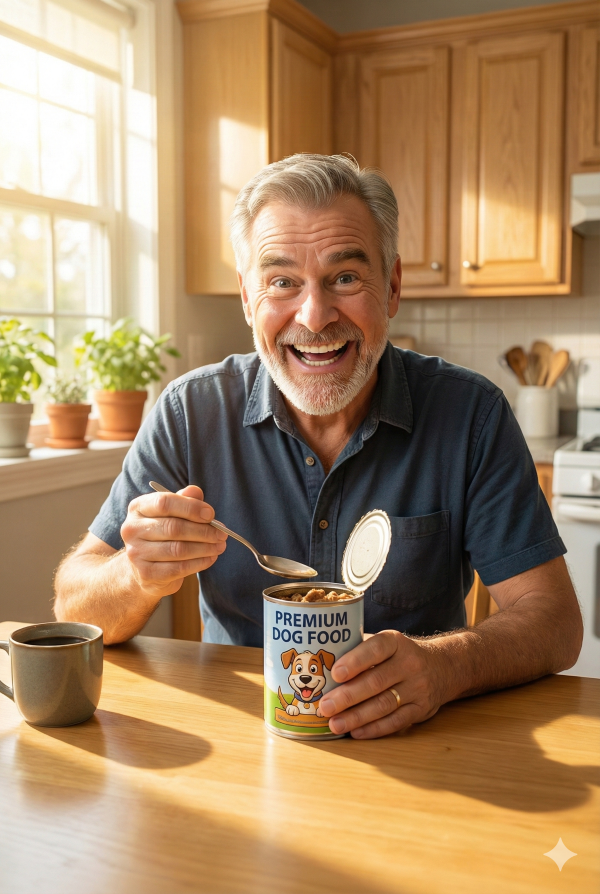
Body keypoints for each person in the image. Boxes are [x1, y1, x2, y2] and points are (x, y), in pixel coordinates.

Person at [54, 154, 583, 740]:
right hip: (243, 749)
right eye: (282, 281)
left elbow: (554, 622)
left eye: (345, 278)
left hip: (420, 744)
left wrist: (445, 665)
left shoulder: (472, 416)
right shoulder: (189, 413)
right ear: (247, 297)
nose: (314, 315)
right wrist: (136, 573)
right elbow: (74, 606)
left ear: (393, 287)